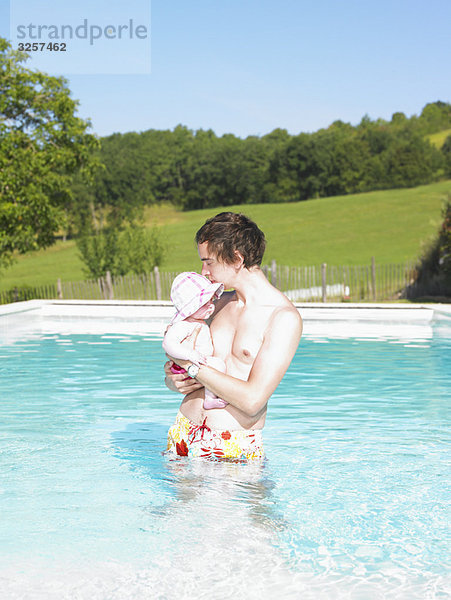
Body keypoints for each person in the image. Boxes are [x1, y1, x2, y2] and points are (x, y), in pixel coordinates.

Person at [164, 212, 303, 461]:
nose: (203, 272)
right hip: (183, 433)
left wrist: (191, 367)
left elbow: (252, 400)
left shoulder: (283, 318)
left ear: (236, 259)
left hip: (231, 446)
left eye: (209, 262)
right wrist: (173, 379)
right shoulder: (215, 305)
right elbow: (176, 362)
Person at [162, 271, 228, 410]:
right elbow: (168, 343)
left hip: (194, 364)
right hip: (188, 364)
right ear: (190, 307)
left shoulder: (197, 322)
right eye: (205, 303)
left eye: (211, 300)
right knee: (218, 364)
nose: (211, 305)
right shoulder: (183, 325)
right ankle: (210, 398)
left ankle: (210, 396)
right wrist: (189, 355)